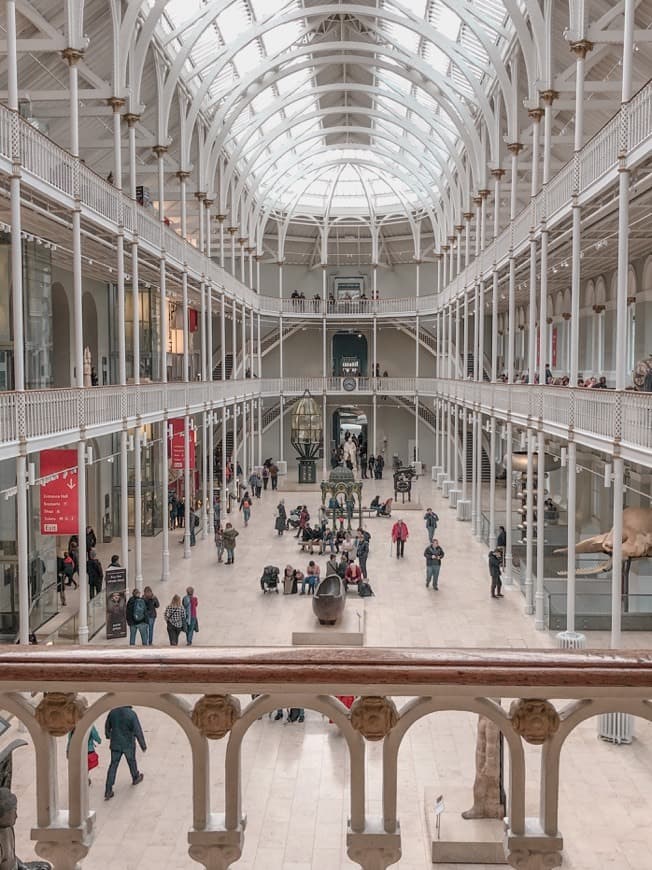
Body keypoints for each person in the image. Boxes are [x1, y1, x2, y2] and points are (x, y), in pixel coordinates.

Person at [104, 706, 146, 800]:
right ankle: (135, 777)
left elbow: (107, 726)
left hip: (115, 743)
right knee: (131, 761)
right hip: (128, 743)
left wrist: (108, 735)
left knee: (113, 765)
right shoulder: (131, 714)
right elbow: (137, 730)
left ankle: (108, 789)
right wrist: (143, 745)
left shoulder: (113, 712)